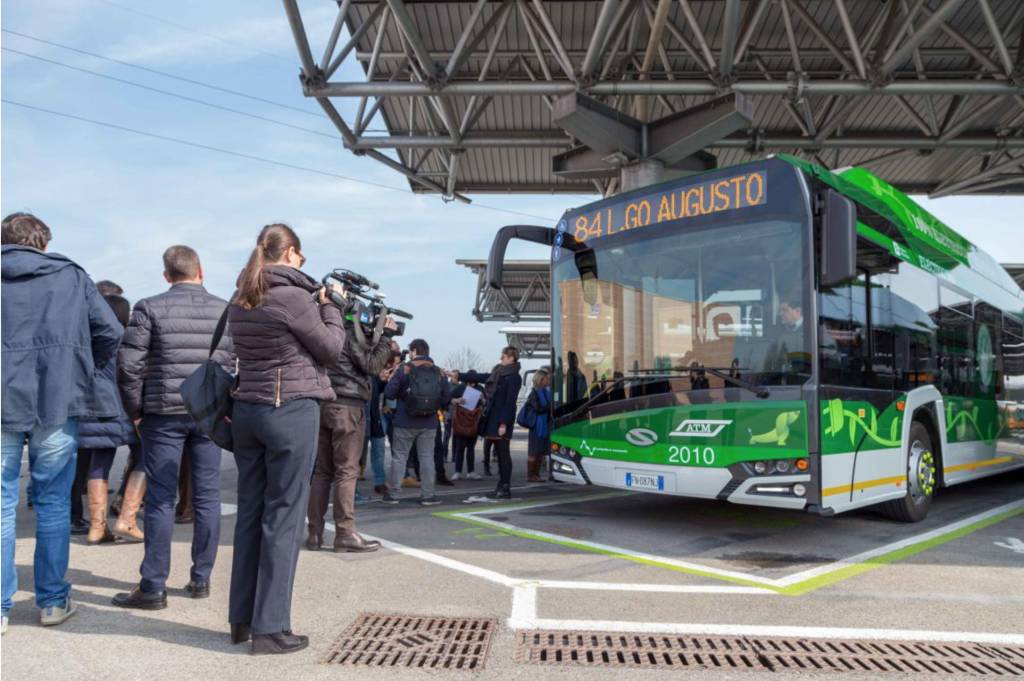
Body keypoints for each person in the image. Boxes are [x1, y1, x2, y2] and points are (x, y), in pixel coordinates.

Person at [227, 223, 346, 655]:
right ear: (291, 253)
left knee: (250, 515)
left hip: (248, 412)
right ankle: (271, 628)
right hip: (290, 409)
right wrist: (332, 309)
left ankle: (242, 619)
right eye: (302, 256)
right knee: (284, 518)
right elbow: (331, 349)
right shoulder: (294, 298)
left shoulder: (242, 296)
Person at [1, 213, 123, 633]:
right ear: (43, 243)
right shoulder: (70, 276)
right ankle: (52, 602)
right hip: (57, 399)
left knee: (1, 507)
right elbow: (110, 331)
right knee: (53, 502)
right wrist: (84, 371)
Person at [112, 245, 232, 611]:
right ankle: (201, 578)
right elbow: (229, 364)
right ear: (201, 270)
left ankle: (153, 586)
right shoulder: (223, 309)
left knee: (161, 499)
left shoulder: (149, 307)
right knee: (207, 497)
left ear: (167, 275)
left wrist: (136, 410)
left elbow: (128, 365)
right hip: (206, 413)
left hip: (162, 413)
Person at [306, 310, 394, 554]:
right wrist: (385, 336)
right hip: (347, 405)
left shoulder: (322, 328)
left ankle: (314, 533)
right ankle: (344, 533)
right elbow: (371, 364)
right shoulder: (347, 332)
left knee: (322, 472)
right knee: (347, 471)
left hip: (322, 402)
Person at [73, 288, 141, 545]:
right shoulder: (124, 341)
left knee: (98, 465)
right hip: (121, 409)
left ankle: (97, 527)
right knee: (145, 456)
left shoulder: (85, 341)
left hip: (92, 413)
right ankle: (127, 517)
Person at [382, 339, 451, 507]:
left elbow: (389, 393)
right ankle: (428, 496)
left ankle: (394, 495)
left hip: (404, 421)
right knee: (427, 458)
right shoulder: (439, 372)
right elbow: (446, 398)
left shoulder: (404, 369)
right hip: (429, 423)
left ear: (413, 351)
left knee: (399, 458)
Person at [451, 347, 522, 500]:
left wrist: (504, 423)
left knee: (503, 454)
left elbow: (510, 403)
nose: (501, 358)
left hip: (501, 421)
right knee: (500, 451)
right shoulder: (499, 373)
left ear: (511, 358)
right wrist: (458, 375)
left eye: (503, 356)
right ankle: (501, 486)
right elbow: (482, 377)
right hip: (493, 419)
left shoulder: (514, 377)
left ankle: (505, 487)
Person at [449, 380, 483, 481]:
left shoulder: (480, 388)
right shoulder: (460, 387)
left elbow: (487, 400)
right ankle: (457, 471)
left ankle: (470, 471)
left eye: (473, 382)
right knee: (460, 447)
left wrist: (482, 399)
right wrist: (457, 400)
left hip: (474, 419)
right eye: (469, 382)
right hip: (461, 419)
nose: (472, 384)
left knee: (471, 447)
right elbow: (449, 398)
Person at [526, 369, 552, 483]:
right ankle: (531, 475)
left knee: (540, 452)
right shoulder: (534, 393)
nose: (549, 379)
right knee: (533, 452)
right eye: (546, 378)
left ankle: (536, 475)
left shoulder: (546, 392)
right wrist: (550, 407)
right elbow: (537, 409)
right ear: (541, 379)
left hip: (545, 425)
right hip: (536, 426)